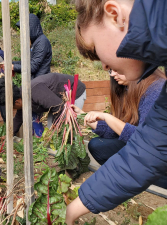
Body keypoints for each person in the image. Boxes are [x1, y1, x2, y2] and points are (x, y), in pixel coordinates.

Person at [65, 0, 167, 224]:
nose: (104, 67)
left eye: (97, 52)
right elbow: (152, 147)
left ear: (115, 15)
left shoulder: (155, 87)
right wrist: (82, 202)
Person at [73, 70, 165, 165]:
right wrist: (82, 116)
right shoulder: (126, 89)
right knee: (98, 145)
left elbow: (145, 139)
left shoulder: (155, 90)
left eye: (117, 69)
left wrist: (107, 117)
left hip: (156, 152)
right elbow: (117, 131)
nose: (112, 74)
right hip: (141, 145)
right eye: (110, 70)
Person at [0, 73, 86, 137]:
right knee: (52, 131)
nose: (14, 109)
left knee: (66, 129)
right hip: (57, 101)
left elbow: (59, 107)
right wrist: (9, 135)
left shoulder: (34, 91)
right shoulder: (22, 96)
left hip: (74, 92)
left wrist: (55, 128)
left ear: (17, 102)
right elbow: (19, 116)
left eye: (12, 107)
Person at [12, 13, 52, 79]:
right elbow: (27, 62)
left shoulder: (42, 42)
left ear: (31, 28)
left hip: (40, 83)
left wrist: (13, 67)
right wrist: (11, 63)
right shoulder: (35, 42)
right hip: (35, 81)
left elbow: (32, 67)